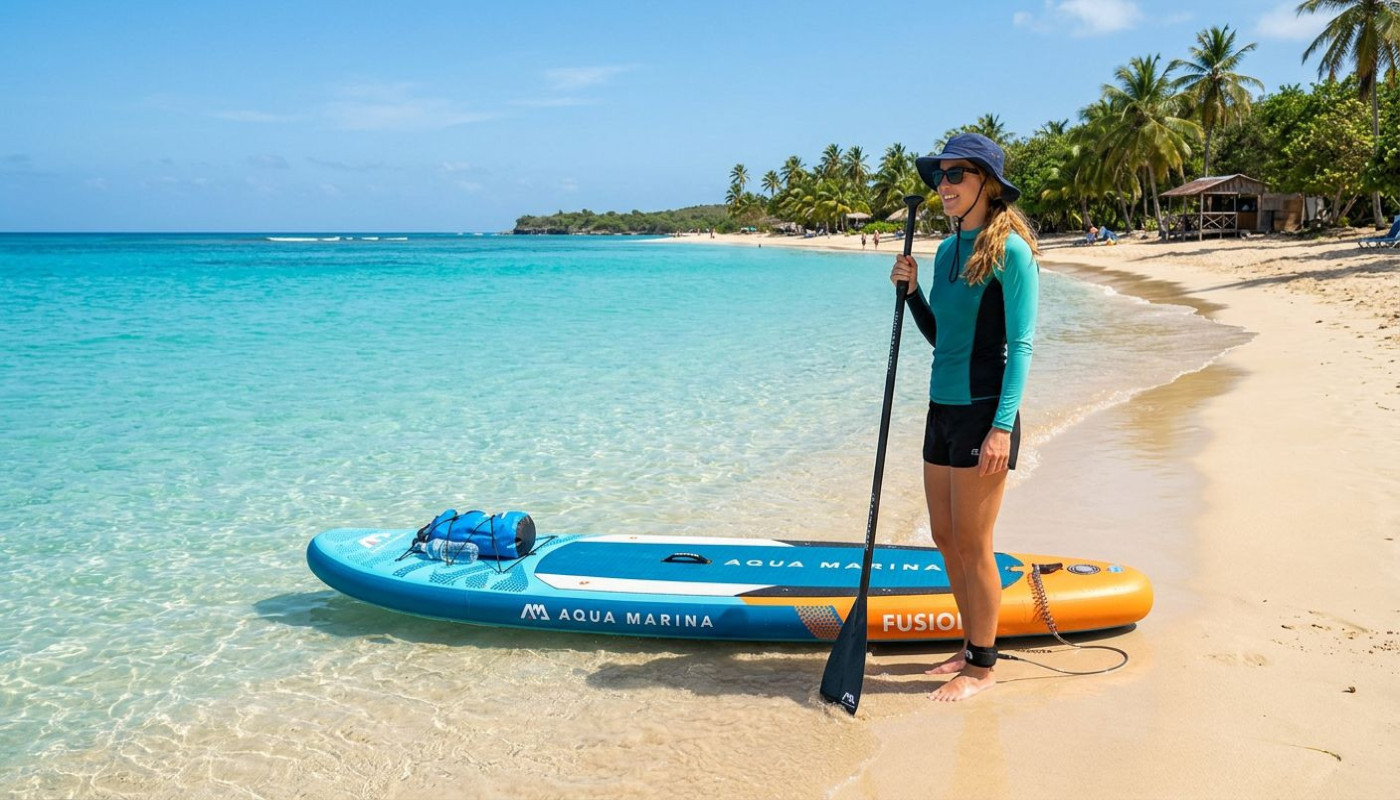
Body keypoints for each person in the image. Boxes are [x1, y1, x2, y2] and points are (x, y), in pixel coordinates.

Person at [891, 132, 1040, 702]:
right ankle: (968, 642)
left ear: (988, 184)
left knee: (975, 543)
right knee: (944, 535)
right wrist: (912, 295)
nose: (944, 185)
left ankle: (982, 666)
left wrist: (1002, 427)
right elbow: (943, 339)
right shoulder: (948, 251)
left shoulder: (1012, 252)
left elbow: (1020, 346)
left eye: (957, 174)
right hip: (942, 408)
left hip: (984, 412)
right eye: (941, 175)